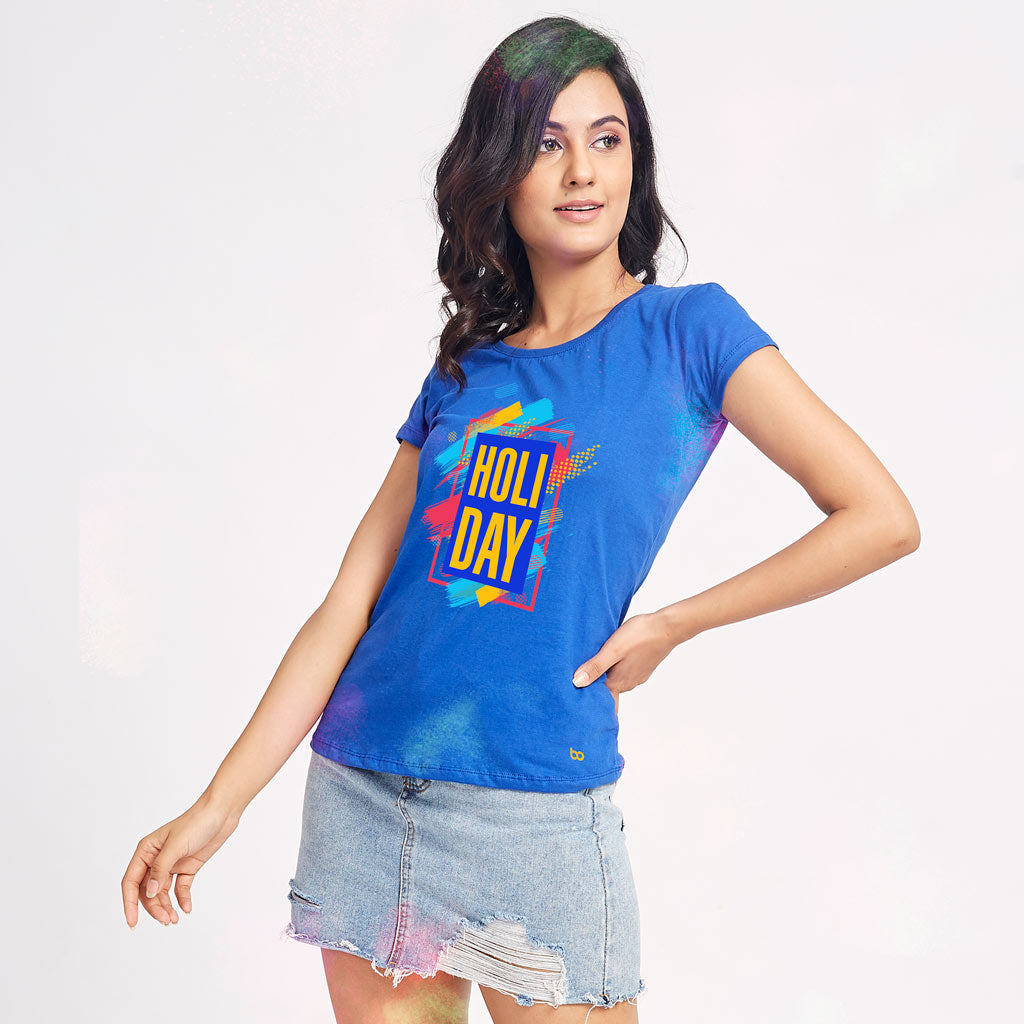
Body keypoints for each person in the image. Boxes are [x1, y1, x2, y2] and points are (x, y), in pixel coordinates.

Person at [121, 16, 920, 1024]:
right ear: (498, 172)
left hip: (536, 810)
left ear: (634, 161)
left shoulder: (689, 333)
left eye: (606, 138)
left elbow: (880, 517)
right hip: (366, 793)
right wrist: (219, 803)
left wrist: (674, 623)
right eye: (547, 143)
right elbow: (348, 606)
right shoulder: (467, 373)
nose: (581, 170)